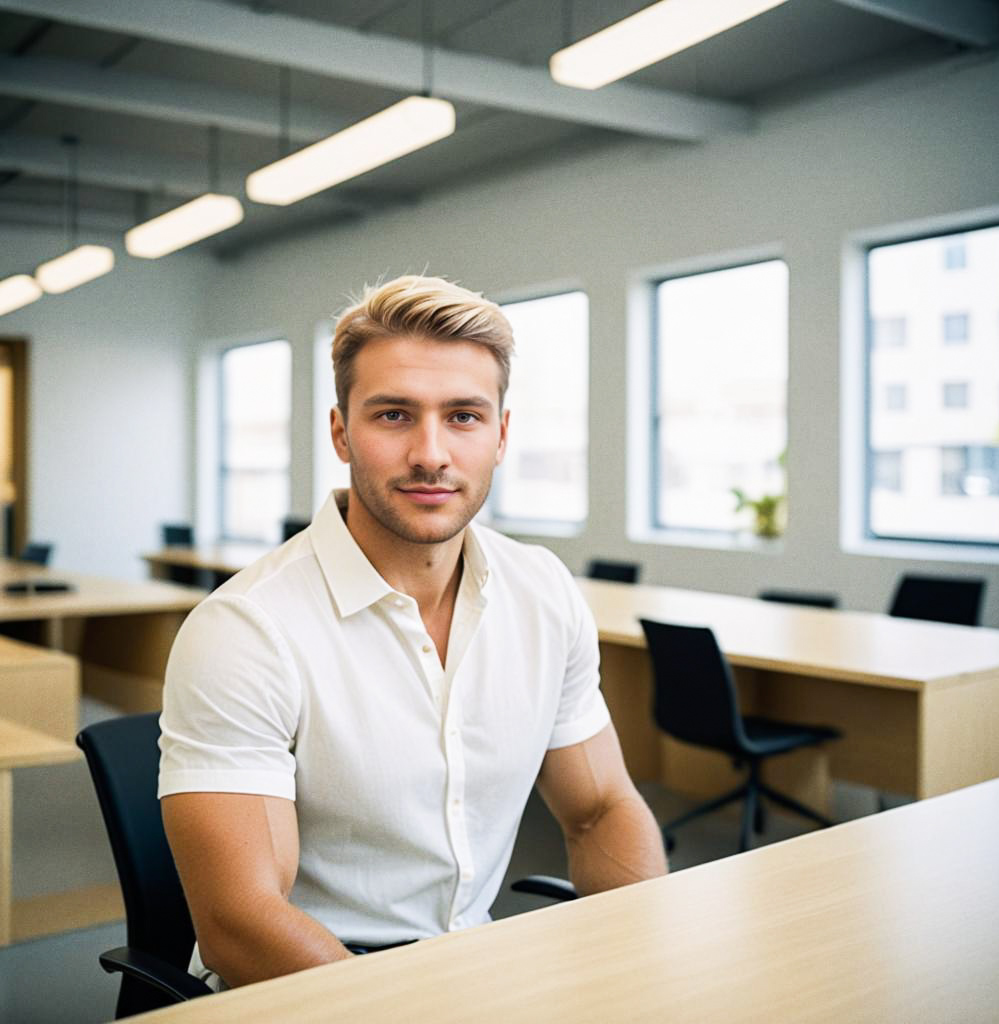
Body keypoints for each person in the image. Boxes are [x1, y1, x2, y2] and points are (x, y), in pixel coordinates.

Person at [158, 275, 667, 991]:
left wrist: (644, 968)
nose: (431, 453)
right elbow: (242, 925)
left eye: (463, 417)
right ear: (341, 431)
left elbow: (600, 811)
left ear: (501, 435)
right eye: (394, 416)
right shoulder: (246, 632)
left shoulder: (544, 594)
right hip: (311, 992)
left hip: (478, 976)